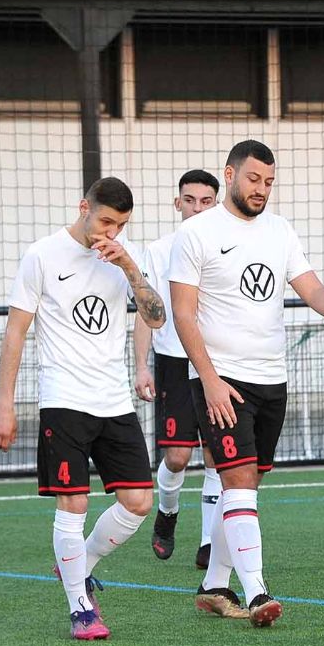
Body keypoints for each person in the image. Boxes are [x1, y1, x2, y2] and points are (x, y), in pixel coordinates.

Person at [170, 140, 324, 626]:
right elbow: (183, 314)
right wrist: (209, 379)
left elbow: (311, 287)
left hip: (271, 379)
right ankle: (257, 592)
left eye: (269, 182)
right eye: (254, 179)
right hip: (222, 379)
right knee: (237, 483)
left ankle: (214, 585)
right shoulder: (196, 233)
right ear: (230, 175)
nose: (261, 189)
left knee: (245, 486)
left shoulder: (280, 230)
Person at [0, 177, 165, 640]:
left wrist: (129, 266)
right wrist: (4, 404)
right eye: (106, 221)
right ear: (84, 207)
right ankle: (80, 609)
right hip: (63, 398)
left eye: (121, 225)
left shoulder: (126, 257)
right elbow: (15, 331)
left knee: (139, 501)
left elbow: (156, 317)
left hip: (114, 400)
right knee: (74, 503)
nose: (112, 232)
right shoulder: (42, 255)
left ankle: (79, 565)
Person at [133, 169, 221, 569]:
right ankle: (167, 512)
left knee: (218, 454)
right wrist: (141, 366)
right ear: (177, 203)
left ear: (216, 204)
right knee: (178, 457)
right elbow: (145, 312)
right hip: (173, 361)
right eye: (190, 200)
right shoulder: (159, 251)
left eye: (206, 201)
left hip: (218, 361)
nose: (197, 208)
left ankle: (209, 542)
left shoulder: (227, 246)